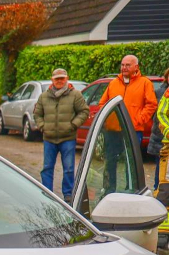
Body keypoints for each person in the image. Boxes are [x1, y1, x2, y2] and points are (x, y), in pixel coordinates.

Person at [98, 56, 158, 192]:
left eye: (128, 65)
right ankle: (109, 190)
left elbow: (151, 104)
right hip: (112, 130)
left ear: (136, 67)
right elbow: (103, 103)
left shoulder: (145, 83)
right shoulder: (113, 83)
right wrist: (108, 119)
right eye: (122, 65)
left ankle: (131, 190)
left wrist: (138, 120)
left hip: (133, 131)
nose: (124, 68)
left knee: (130, 163)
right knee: (110, 161)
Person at [33, 68, 88, 200]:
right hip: (49, 138)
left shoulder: (75, 95)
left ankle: (68, 195)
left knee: (69, 168)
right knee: (47, 168)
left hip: (68, 138)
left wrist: (73, 125)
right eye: (57, 79)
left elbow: (84, 111)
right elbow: (37, 114)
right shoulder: (44, 96)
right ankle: (47, 194)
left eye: (62, 78)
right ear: (52, 80)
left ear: (66, 79)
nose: (59, 81)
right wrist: (43, 127)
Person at [154, 68, 169, 239]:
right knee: (165, 190)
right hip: (168, 150)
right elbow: (161, 114)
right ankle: (163, 232)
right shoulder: (167, 94)